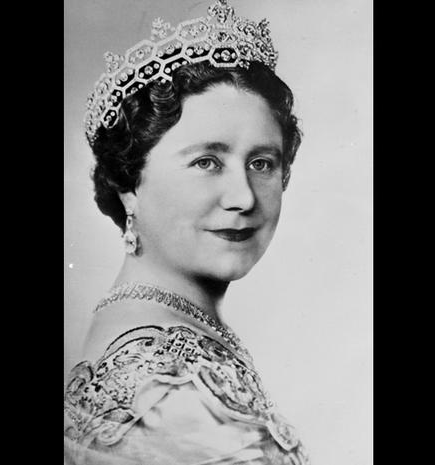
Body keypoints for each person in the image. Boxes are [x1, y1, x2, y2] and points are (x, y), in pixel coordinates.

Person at [64, 1, 308, 463]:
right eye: (206, 162)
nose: (243, 197)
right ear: (127, 185)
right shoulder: (165, 387)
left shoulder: (160, 328)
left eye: (261, 163)